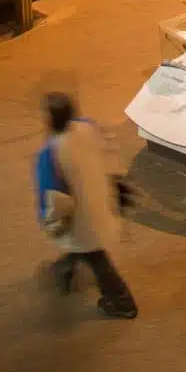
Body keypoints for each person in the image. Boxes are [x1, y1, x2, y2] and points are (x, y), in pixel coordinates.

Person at [37, 92, 138, 319]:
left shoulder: (51, 152)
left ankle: (123, 302)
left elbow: (51, 196)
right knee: (85, 247)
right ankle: (64, 269)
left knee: (94, 255)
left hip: (80, 218)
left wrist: (45, 218)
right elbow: (109, 155)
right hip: (101, 202)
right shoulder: (87, 127)